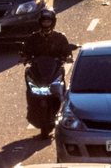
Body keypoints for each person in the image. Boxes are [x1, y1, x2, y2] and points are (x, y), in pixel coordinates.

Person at [20, 10, 77, 138]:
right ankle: (32, 106)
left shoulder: (60, 37)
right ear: (40, 22)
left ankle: (63, 108)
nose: (46, 24)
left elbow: (67, 51)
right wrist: (24, 57)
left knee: (64, 89)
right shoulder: (32, 38)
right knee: (29, 79)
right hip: (38, 72)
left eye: (48, 21)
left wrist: (67, 56)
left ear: (53, 22)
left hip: (54, 71)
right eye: (44, 21)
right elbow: (25, 51)